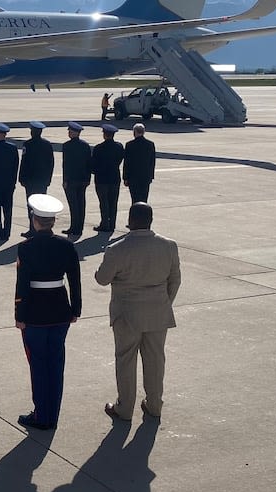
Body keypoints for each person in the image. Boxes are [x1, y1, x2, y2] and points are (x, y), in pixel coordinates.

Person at [94, 202, 181, 422]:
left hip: (127, 315)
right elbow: (175, 280)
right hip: (158, 313)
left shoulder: (117, 249)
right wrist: (164, 303)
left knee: (126, 360)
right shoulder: (169, 246)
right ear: (150, 220)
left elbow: (102, 279)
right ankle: (154, 405)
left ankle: (124, 408)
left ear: (130, 221)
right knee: (155, 360)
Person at [14, 194, 83, 431]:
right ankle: (51, 414)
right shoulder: (66, 245)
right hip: (60, 312)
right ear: (52, 221)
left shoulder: (26, 248)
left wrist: (19, 315)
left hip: (34, 314)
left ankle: (41, 414)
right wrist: (76, 309)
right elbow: (75, 280)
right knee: (56, 364)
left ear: (35, 220)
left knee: (38, 365)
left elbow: (22, 285)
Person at [18, 121, 54, 237]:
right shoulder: (47, 144)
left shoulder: (27, 144)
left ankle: (32, 229)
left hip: (30, 180)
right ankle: (40, 229)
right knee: (41, 206)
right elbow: (51, 163)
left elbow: (24, 162)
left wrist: (21, 177)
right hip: (42, 181)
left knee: (31, 205)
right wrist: (48, 179)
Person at [59, 121, 92, 240]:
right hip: (83, 179)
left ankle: (74, 227)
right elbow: (89, 164)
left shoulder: (67, 146)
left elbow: (66, 165)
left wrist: (65, 180)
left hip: (72, 180)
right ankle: (79, 228)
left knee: (73, 205)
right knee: (81, 203)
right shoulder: (85, 145)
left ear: (74, 132)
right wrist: (88, 179)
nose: (68, 132)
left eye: (70, 131)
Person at [92, 123, 125, 232]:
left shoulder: (98, 148)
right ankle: (112, 224)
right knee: (113, 202)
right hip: (114, 178)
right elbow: (120, 159)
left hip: (101, 179)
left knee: (104, 203)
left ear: (105, 135)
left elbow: (94, 164)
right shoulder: (119, 146)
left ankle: (104, 223)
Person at [123, 123, 156, 204]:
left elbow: (127, 163)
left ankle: (135, 215)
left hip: (133, 177)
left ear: (135, 132)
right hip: (145, 177)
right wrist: (151, 176)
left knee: (134, 199)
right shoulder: (150, 144)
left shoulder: (129, 145)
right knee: (144, 199)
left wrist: (125, 178)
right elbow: (152, 162)